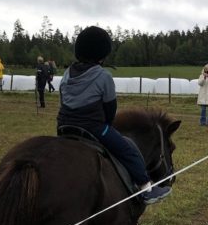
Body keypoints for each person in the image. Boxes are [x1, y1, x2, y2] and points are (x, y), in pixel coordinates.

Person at [57, 26, 171, 205]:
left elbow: (62, 100)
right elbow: (110, 109)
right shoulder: (104, 77)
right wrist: (107, 126)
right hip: (94, 129)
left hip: (64, 127)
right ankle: (146, 188)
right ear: (102, 54)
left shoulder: (66, 74)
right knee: (129, 150)